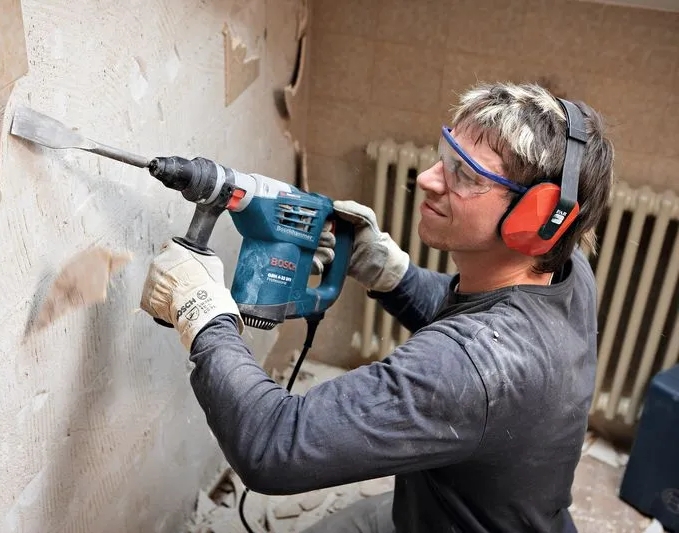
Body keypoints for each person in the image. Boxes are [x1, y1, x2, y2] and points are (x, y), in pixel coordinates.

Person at [140, 82, 614, 532]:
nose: (428, 179)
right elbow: (476, 324)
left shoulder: (469, 367)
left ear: (535, 222)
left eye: (465, 175)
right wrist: (392, 273)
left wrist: (204, 314)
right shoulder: (567, 271)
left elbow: (274, 447)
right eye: (446, 155)